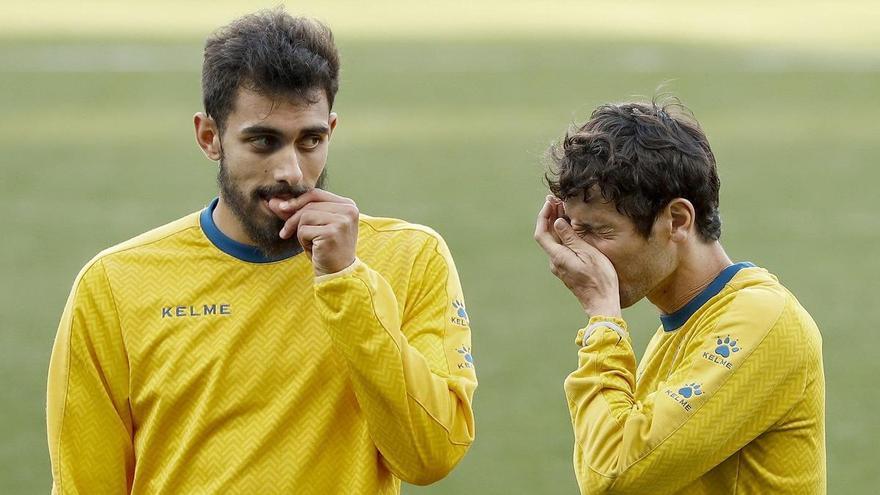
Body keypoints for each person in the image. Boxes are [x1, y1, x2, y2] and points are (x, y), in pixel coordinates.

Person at [47, 9, 476, 494]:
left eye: (310, 140)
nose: (291, 171)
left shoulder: (409, 259)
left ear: (331, 129)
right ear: (210, 137)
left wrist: (346, 282)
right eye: (263, 142)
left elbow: (429, 455)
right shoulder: (114, 285)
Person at [534, 100, 824, 494]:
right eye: (572, 230)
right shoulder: (679, 331)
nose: (580, 254)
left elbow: (612, 475)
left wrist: (602, 317)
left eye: (598, 231)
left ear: (677, 221)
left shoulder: (764, 319)